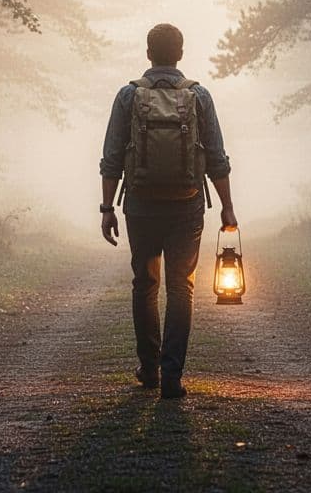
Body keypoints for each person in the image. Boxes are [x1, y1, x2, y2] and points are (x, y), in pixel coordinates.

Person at [99, 23, 237, 399]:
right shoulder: (199, 95)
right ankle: (172, 374)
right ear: (180, 53)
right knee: (181, 287)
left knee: (145, 284)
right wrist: (227, 208)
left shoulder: (129, 96)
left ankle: (149, 369)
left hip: (141, 205)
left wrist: (107, 208)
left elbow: (111, 158)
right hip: (187, 204)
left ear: (148, 54)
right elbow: (217, 158)